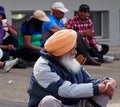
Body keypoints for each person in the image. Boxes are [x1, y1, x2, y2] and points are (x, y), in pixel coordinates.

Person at [27, 29, 117, 107]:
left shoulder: (68, 60)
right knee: (48, 101)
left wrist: (108, 81)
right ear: (63, 50)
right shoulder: (42, 66)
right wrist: (97, 88)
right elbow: (66, 90)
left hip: (73, 103)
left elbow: (87, 80)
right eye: (72, 49)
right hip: (58, 103)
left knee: (104, 91)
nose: (75, 52)